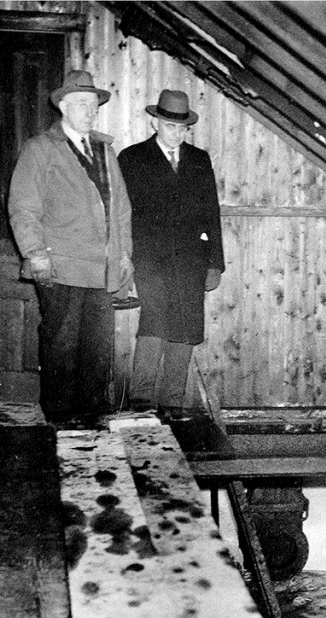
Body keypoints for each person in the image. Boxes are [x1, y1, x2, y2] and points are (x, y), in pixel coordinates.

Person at [8, 69, 133, 423]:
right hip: (60, 266)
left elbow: (122, 208)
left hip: (101, 270)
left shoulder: (105, 152)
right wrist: (36, 255)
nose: (89, 112)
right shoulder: (40, 149)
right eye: (81, 104)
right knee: (61, 346)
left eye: (93, 105)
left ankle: (92, 422)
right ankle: (60, 423)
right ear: (63, 106)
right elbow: (23, 208)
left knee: (97, 350)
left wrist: (124, 254)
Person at [117, 89, 225, 416]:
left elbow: (211, 213)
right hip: (150, 262)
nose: (176, 133)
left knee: (186, 329)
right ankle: (140, 406)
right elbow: (123, 216)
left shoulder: (199, 160)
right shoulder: (132, 158)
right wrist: (127, 264)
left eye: (182, 128)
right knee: (154, 326)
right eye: (169, 126)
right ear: (156, 122)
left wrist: (215, 264)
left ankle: (172, 406)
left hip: (192, 262)